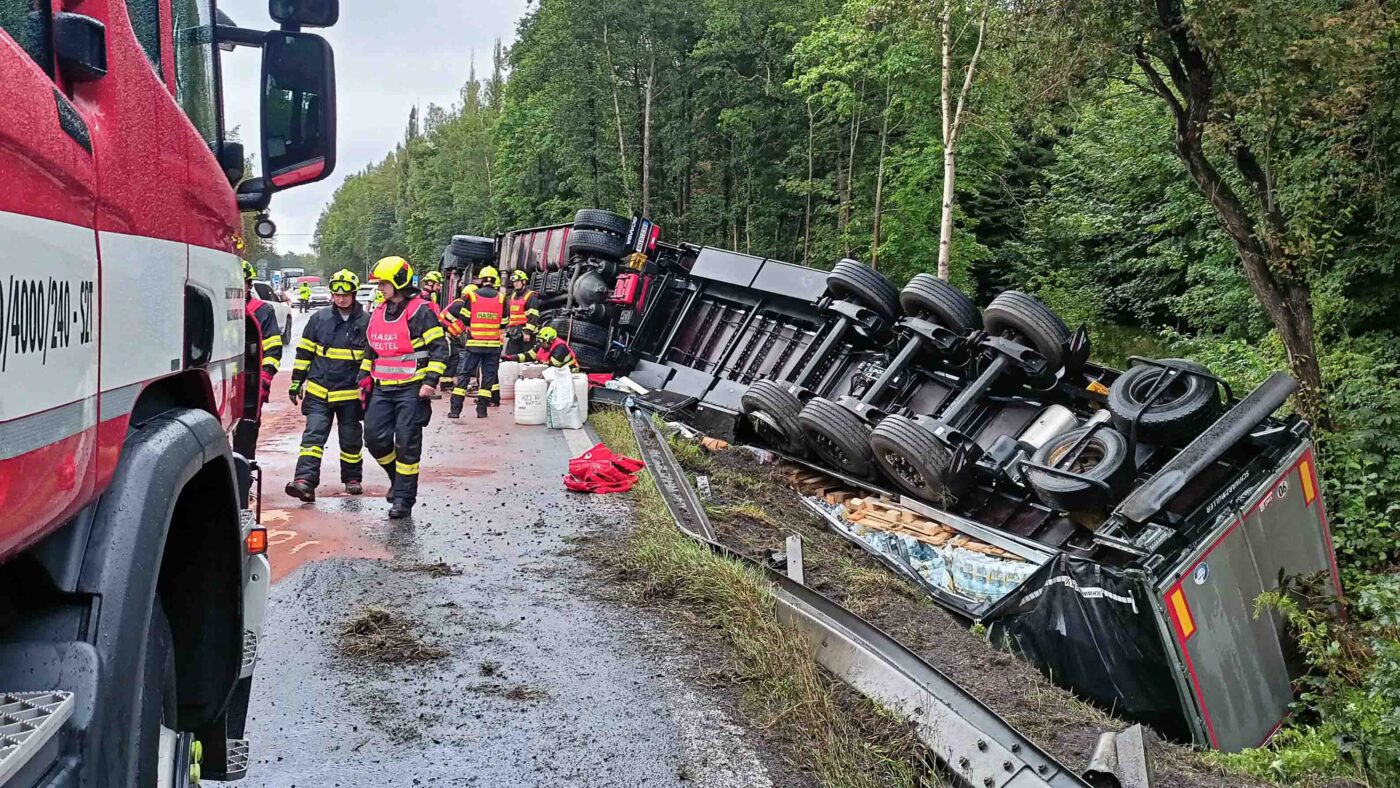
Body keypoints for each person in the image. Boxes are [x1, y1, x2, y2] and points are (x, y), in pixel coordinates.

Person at [359, 256, 450, 520]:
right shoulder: (378, 311)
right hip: (382, 388)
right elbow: (370, 349)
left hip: (412, 389)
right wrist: (363, 378)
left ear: (398, 282)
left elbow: (439, 349)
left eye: (384, 283)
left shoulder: (421, 311)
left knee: (407, 444)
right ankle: (397, 478)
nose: (379, 288)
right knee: (374, 439)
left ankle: (403, 500)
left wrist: (430, 382)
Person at [285, 270, 371, 502]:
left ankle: (352, 479)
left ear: (354, 295)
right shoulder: (319, 319)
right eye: (336, 294)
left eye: (345, 295)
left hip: (350, 393)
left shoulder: (367, 322)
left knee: (351, 438)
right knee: (313, 437)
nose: (340, 299)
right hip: (318, 391)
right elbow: (304, 353)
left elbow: (372, 358)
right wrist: (296, 381)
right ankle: (304, 482)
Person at [233, 260, 287, 459]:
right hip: (223, 381)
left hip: (251, 382)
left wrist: (265, 378)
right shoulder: (217, 307)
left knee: (247, 429)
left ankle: (245, 473)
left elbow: (273, 349)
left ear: (249, 284)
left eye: (243, 282)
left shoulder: (262, 311)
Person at [444, 267, 508, 418]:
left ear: (481, 279)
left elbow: (465, 318)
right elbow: (504, 322)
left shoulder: (472, 296)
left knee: (465, 375)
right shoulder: (501, 298)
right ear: (494, 280)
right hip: (492, 346)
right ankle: (481, 410)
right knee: (488, 377)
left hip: (474, 344)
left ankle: (455, 410)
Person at [503, 326, 579, 371]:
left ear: (551, 340)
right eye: (539, 340)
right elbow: (528, 356)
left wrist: (535, 365)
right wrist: (512, 358)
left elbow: (552, 365)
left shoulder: (560, 347)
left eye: (543, 341)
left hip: (568, 372)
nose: (540, 343)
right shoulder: (542, 345)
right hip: (554, 372)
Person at [504, 269, 540, 358]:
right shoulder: (512, 296)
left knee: (527, 358)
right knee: (510, 356)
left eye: (517, 281)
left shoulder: (531, 296)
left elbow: (533, 316)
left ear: (524, 282)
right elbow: (509, 315)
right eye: (514, 282)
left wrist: (527, 332)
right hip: (514, 333)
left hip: (526, 334)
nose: (515, 284)